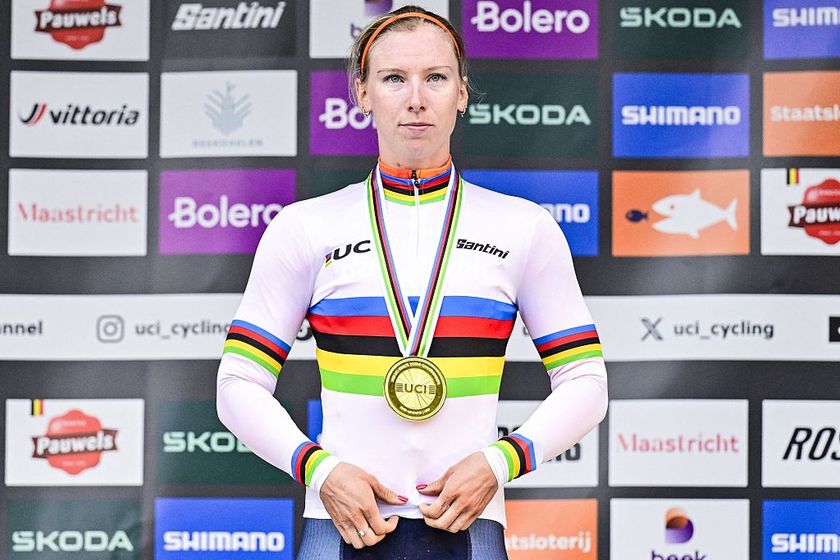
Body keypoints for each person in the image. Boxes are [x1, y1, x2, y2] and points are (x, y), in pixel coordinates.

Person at [216, 6, 608, 559]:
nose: (416, 98)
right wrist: (319, 470)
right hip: (341, 523)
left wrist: (501, 461)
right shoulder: (305, 227)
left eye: (436, 78)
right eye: (394, 78)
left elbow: (587, 382)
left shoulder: (523, 228)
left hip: (469, 528)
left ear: (463, 93)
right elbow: (235, 385)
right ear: (362, 93)